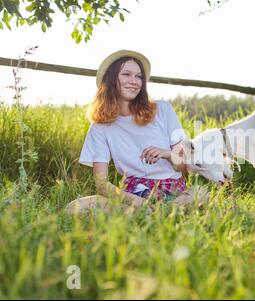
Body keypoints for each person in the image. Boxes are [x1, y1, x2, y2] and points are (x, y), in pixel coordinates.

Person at [66, 49, 207, 214]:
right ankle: (155, 213)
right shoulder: (100, 127)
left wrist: (167, 154)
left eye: (139, 76)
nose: (134, 81)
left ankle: (155, 212)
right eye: (126, 74)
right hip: (132, 195)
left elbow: (183, 167)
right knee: (73, 208)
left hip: (173, 191)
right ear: (111, 80)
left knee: (200, 193)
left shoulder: (163, 109)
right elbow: (102, 185)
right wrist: (140, 202)